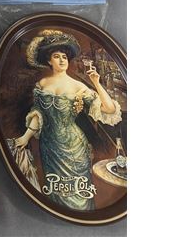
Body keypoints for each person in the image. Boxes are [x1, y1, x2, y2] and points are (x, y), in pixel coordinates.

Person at [13, 30, 122, 211]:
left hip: (75, 147)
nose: (62, 60)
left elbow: (109, 109)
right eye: (57, 56)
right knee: (55, 194)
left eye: (64, 57)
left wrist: (96, 82)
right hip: (49, 147)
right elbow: (38, 114)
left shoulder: (78, 86)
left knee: (79, 195)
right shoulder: (42, 84)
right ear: (49, 61)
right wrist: (25, 137)